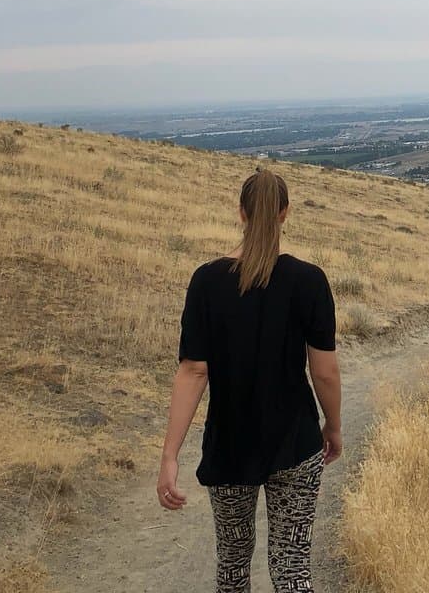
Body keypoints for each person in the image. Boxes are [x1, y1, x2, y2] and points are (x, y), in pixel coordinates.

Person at [156, 168, 342, 592]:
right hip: (295, 445)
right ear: (285, 213)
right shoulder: (309, 281)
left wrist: (170, 454)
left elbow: (193, 371)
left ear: (241, 213)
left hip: (230, 446)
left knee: (233, 569)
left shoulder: (206, 281)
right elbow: (325, 373)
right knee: (292, 569)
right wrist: (332, 426)